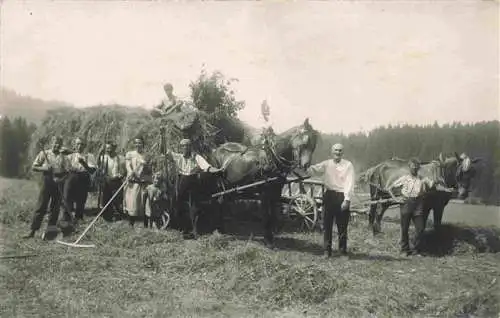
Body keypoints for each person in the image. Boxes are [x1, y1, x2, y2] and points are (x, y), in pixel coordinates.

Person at [307, 143, 355, 257]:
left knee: (342, 225)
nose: (337, 152)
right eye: (335, 150)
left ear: (342, 153)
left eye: (340, 150)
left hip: (342, 196)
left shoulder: (348, 165)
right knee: (327, 225)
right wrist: (305, 165)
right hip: (329, 196)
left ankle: (342, 251)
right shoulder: (326, 164)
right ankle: (326, 251)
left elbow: (350, 182)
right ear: (332, 152)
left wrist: (347, 200)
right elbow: (314, 170)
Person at [167, 138, 222, 231]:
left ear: (190, 147)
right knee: (178, 204)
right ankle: (181, 227)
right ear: (181, 148)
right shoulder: (178, 157)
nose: (185, 148)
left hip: (193, 181)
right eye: (183, 146)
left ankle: (195, 229)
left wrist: (217, 170)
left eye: (187, 146)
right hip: (181, 181)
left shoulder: (197, 157)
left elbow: (207, 167)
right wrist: (163, 136)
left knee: (194, 205)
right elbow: (165, 152)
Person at [24, 136, 69, 240]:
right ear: (51, 143)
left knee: (55, 209)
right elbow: (34, 167)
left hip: (58, 182)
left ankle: (50, 233)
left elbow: (67, 172)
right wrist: (44, 168)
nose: (57, 145)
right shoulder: (44, 153)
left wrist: (61, 179)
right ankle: (32, 231)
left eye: (59, 143)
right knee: (41, 206)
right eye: (55, 142)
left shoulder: (63, 156)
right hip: (47, 180)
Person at [389, 158, 434, 256]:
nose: (414, 169)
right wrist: (396, 199)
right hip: (406, 203)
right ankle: (404, 250)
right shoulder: (404, 178)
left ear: (418, 168)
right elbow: (390, 188)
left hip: (418, 204)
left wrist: (436, 181)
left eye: (416, 167)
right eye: (412, 167)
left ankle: (416, 249)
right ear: (409, 168)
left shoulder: (423, 179)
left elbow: (432, 184)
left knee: (420, 228)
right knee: (405, 228)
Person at [63, 137, 97, 227]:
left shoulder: (89, 156)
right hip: (71, 177)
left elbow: (92, 171)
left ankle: (79, 218)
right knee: (67, 197)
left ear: (85, 146)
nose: (80, 146)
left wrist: (84, 163)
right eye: (78, 144)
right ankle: (67, 218)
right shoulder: (70, 156)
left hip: (83, 177)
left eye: (82, 144)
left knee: (81, 199)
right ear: (74, 145)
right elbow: (64, 167)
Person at [124, 136, 152, 227]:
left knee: (144, 203)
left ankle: (145, 225)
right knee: (133, 203)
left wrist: (145, 165)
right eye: (136, 143)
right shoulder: (130, 154)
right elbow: (128, 165)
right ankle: (131, 223)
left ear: (143, 144)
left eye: (139, 143)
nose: (138, 145)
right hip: (134, 181)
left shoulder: (147, 155)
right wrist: (131, 172)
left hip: (144, 182)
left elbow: (149, 170)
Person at [98, 141, 126, 222]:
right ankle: (107, 217)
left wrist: (121, 175)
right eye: (107, 149)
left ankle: (119, 217)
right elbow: (99, 169)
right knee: (106, 200)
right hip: (107, 182)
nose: (108, 150)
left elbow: (124, 171)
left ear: (114, 148)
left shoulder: (120, 158)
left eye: (110, 148)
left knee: (117, 200)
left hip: (117, 181)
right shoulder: (103, 158)